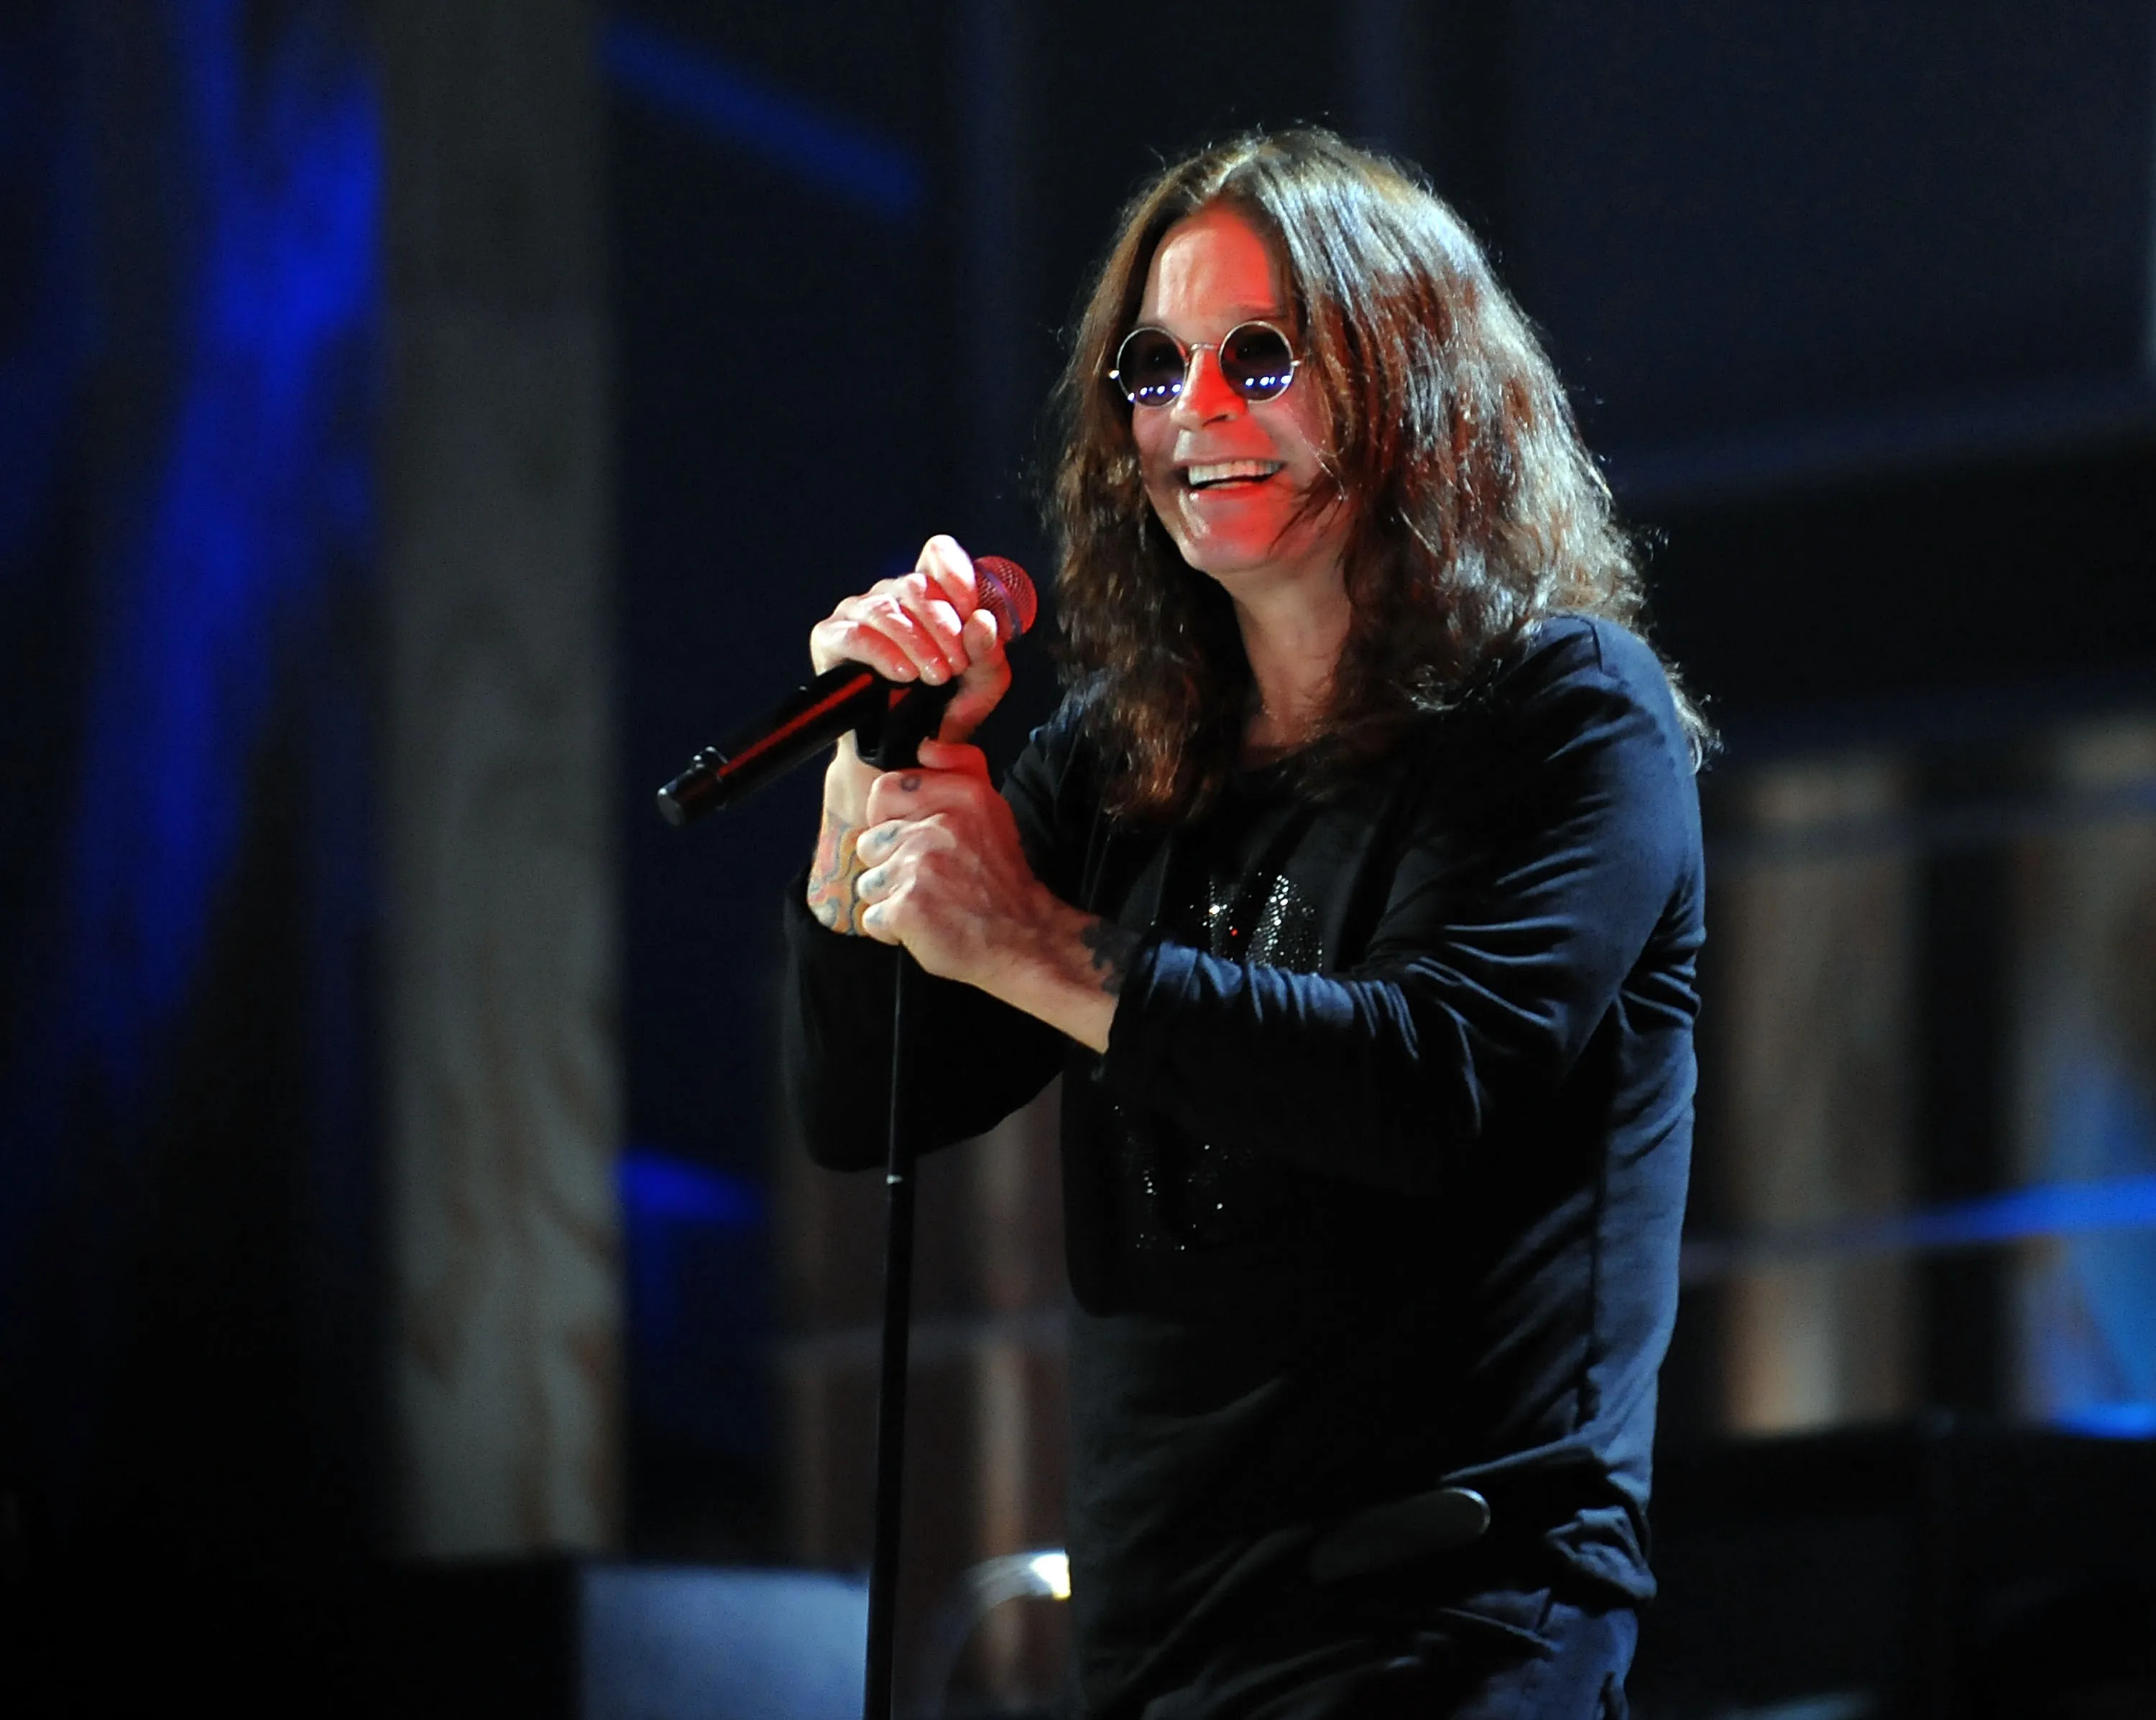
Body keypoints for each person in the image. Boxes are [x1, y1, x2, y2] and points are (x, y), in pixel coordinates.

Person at [780, 128, 1708, 1720]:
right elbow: (869, 1098)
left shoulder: (1566, 717)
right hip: (1159, 1655)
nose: (1196, 413)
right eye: (1155, 367)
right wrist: (881, 774)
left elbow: (1430, 1085)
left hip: (1452, 1628)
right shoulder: (1128, 757)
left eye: (1259, 356)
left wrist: (1028, 938)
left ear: (1409, 376)